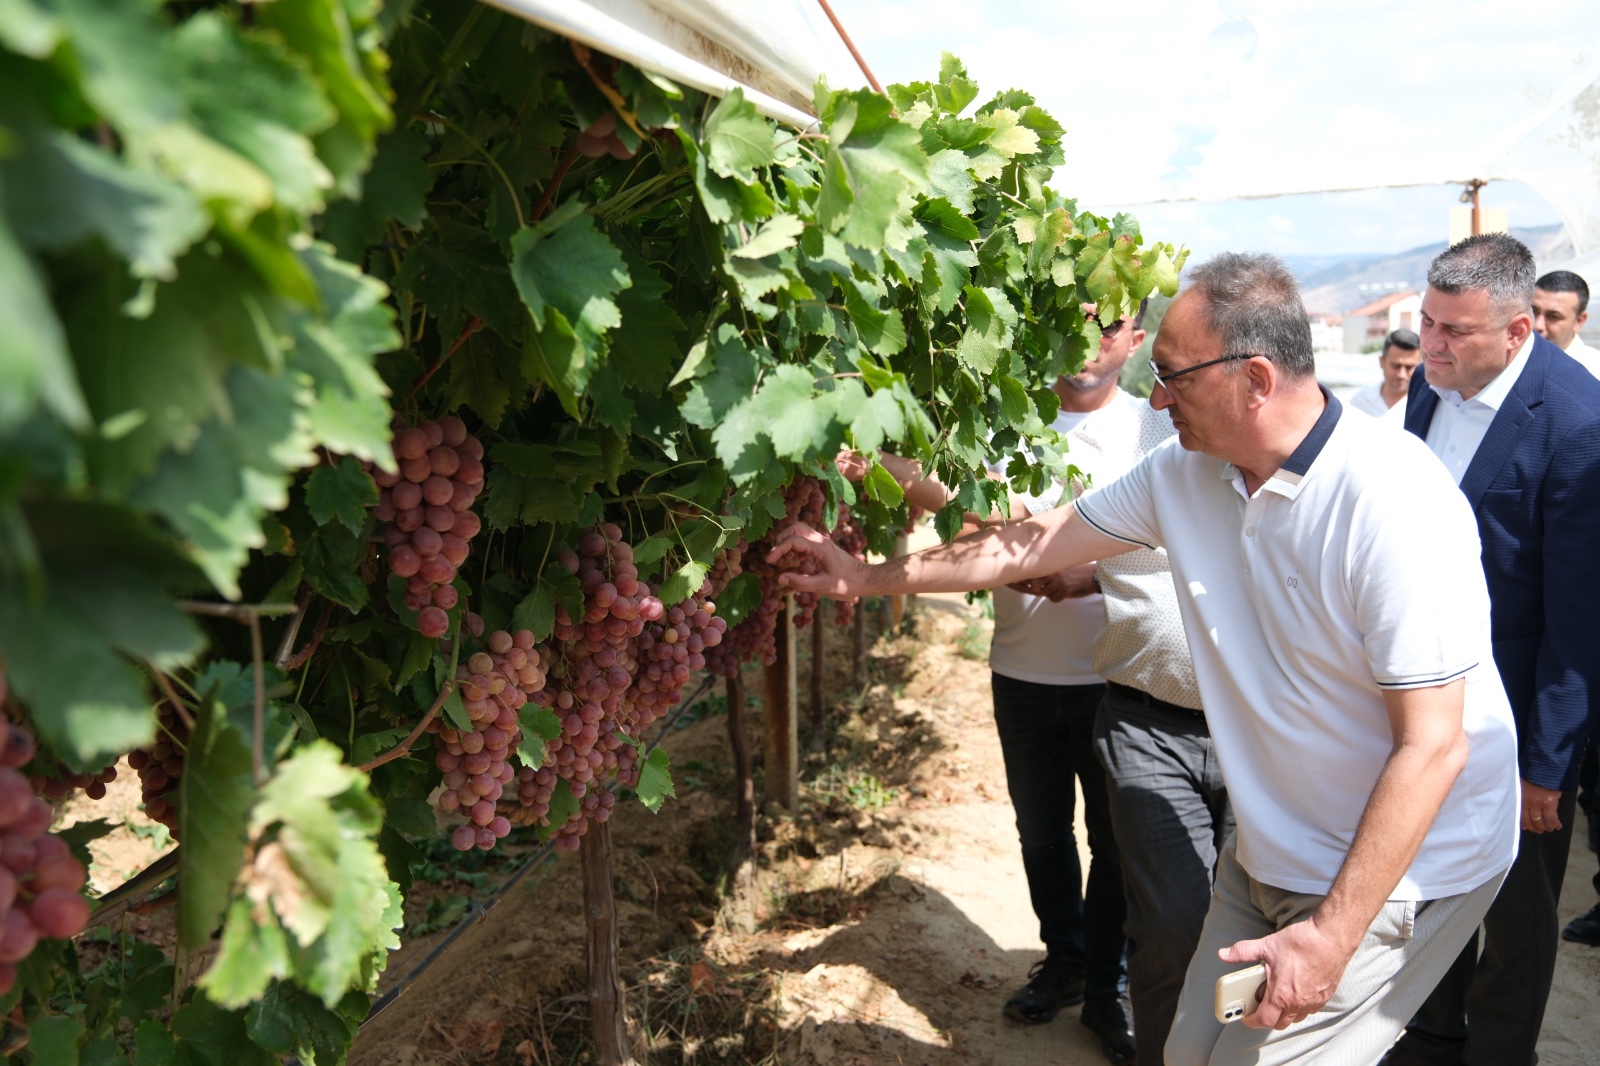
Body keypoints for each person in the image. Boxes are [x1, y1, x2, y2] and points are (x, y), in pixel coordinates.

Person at [770, 252, 1520, 1066]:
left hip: (1397, 871)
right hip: (1272, 847)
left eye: (1172, 376)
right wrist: (866, 578)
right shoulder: (1186, 473)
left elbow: (1435, 744)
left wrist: (1331, 937)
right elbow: (1038, 541)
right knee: (1190, 1051)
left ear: (1256, 380)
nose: (1157, 398)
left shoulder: (1392, 501)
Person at [842, 303, 1217, 1065]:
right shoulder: (1006, 422)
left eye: (1108, 324)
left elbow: (1171, 556)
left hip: (1118, 683)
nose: (1089, 339)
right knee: (1040, 832)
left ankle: (1109, 987)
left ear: (1136, 343)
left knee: (1116, 847)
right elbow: (994, 523)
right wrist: (878, 467)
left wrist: (1088, 578)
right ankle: (1066, 961)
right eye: (1074, 320)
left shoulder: (1158, 432)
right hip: (1019, 668)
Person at [1384, 235, 1600, 1066]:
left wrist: (1545, 766)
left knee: (1514, 916)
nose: (1429, 347)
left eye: (1453, 332)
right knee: (1428, 883)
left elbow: (1581, 623)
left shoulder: (1579, 428)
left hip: (1514, 726)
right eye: (1428, 323)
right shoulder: (1435, 391)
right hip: (1420, 702)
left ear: (1518, 333)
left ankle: (1501, 1054)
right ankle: (1433, 1039)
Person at [1530, 269, 1596, 376]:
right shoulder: (1506, 357)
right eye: (1533, 311)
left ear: (1579, 321)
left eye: (1553, 316)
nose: (1537, 325)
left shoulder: (1593, 374)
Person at [1346, 329, 1422, 416]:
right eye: (1395, 366)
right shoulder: (1360, 402)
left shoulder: (1425, 406)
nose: (1401, 374)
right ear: (1382, 361)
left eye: (1409, 367)